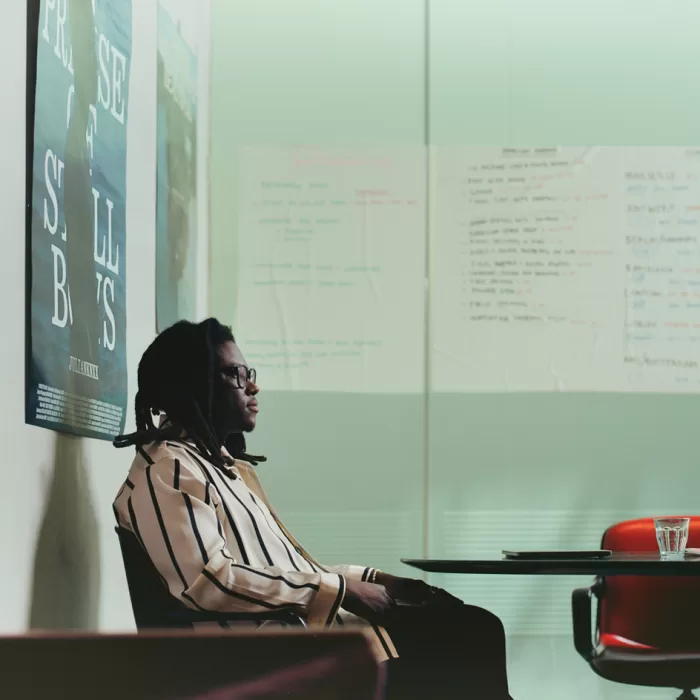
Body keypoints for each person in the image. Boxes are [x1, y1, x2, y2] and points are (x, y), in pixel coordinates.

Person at [113, 318, 513, 700]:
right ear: (195, 386)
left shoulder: (216, 468)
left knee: (474, 628)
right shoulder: (168, 470)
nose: (252, 388)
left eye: (251, 375)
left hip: (305, 638)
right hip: (276, 659)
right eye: (237, 375)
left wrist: (376, 580)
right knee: (472, 635)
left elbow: (279, 568)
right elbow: (209, 582)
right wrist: (342, 591)